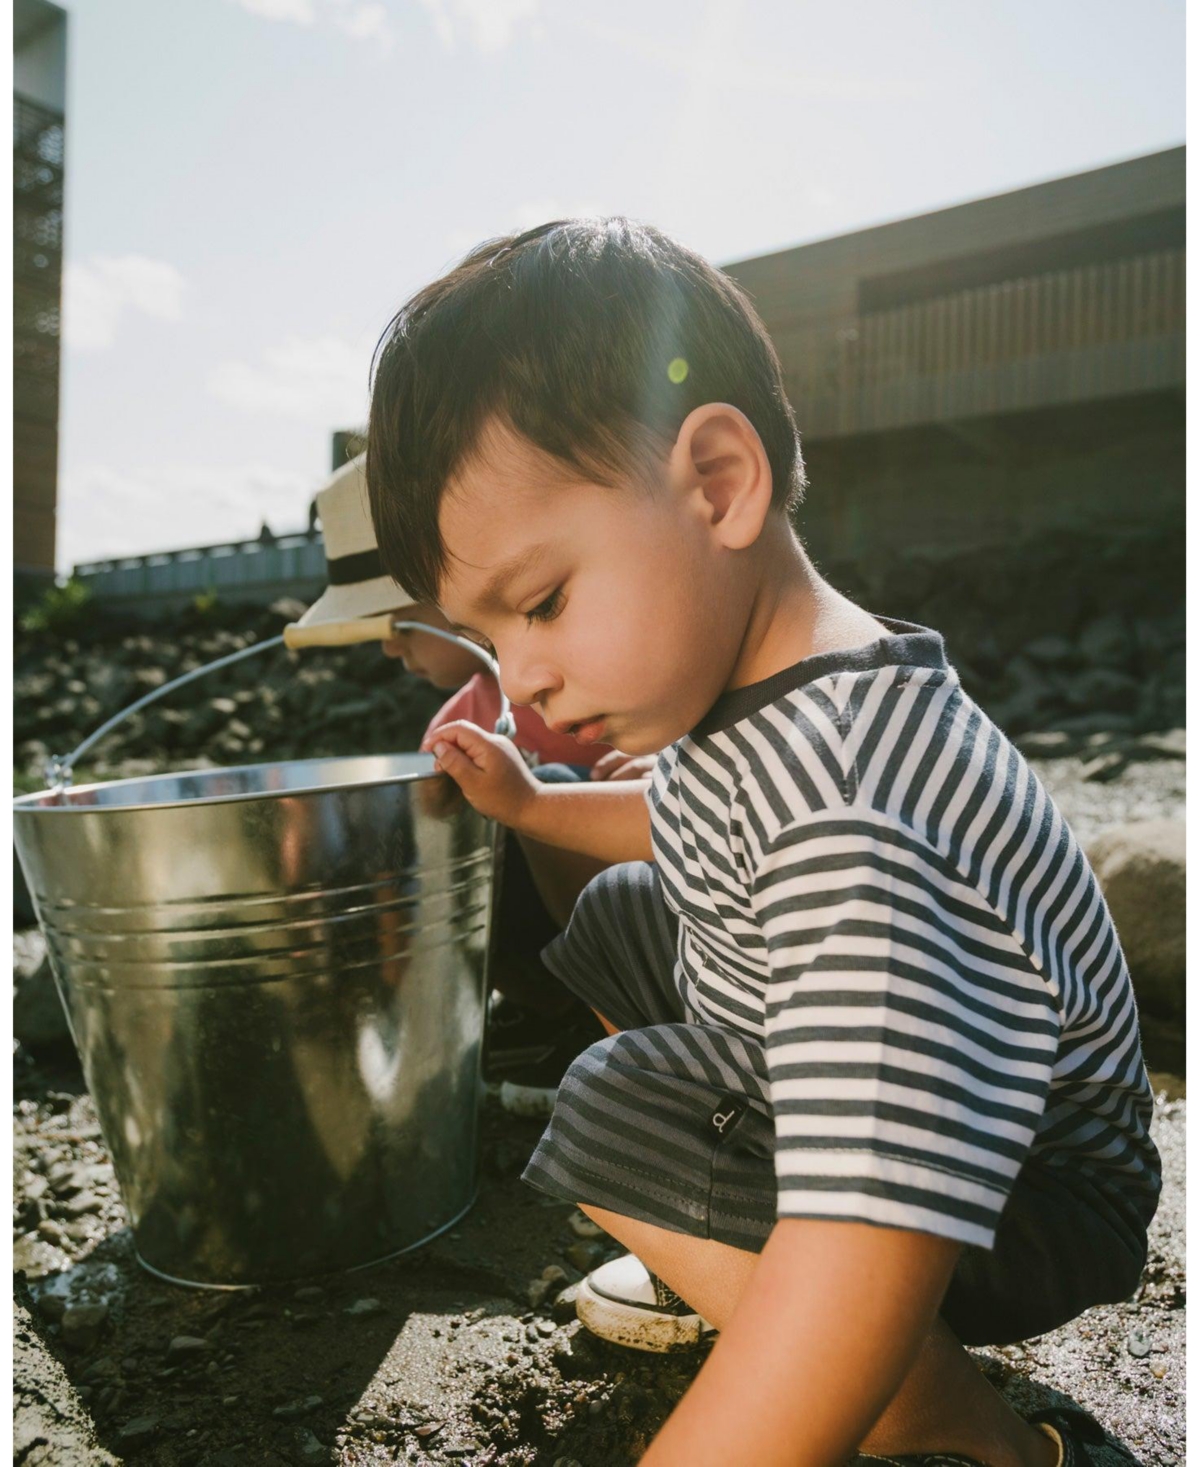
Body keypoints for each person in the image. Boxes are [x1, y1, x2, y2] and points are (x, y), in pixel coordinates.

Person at [362, 218, 1162, 1467]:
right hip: (933, 1112)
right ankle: (735, 1253)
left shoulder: (852, 805)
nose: (522, 683)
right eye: (487, 640)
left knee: (618, 1112)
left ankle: (971, 1437)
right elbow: (682, 825)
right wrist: (531, 805)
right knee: (628, 911)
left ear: (720, 484)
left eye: (544, 603)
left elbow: (874, 1231)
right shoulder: (762, 695)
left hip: (1015, 1188)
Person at [298, 454, 655, 1110]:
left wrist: (661, 769)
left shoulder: (598, 664)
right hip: (536, 956)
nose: (387, 648)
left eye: (394, 621)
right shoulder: (460, 721)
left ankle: (610, 1018)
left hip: (658, 927)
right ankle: (549, 1014)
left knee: (547, 782)